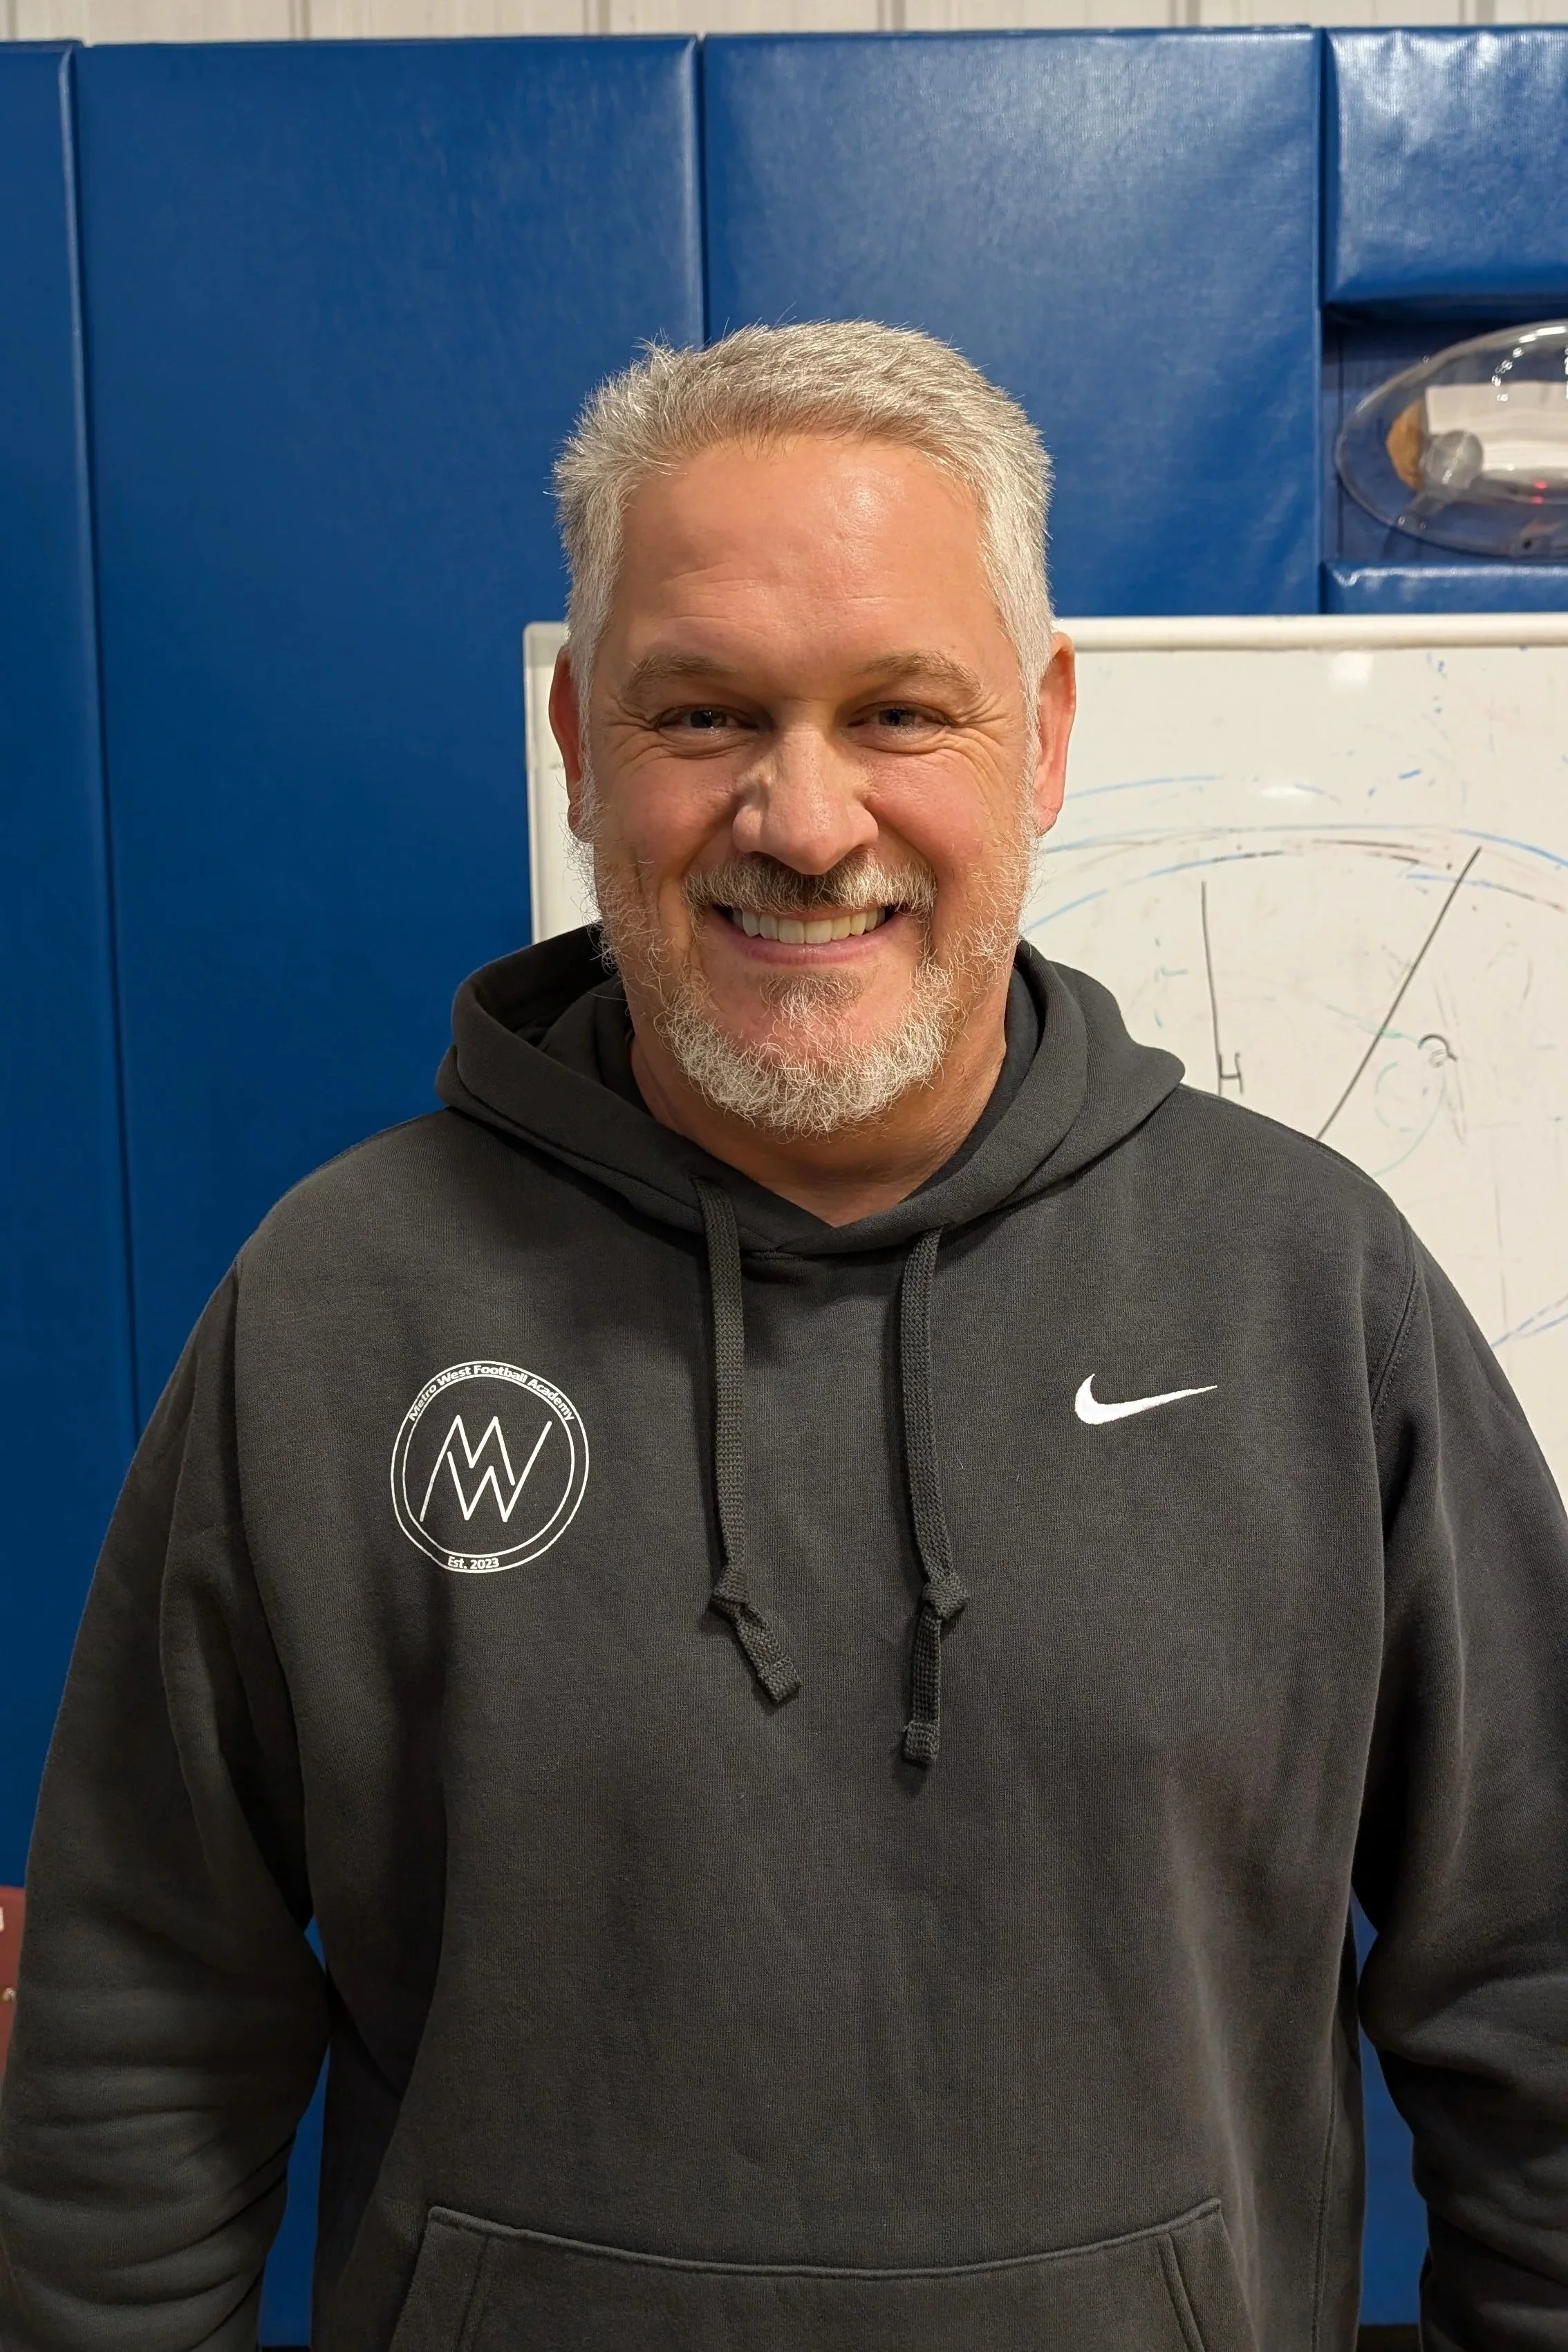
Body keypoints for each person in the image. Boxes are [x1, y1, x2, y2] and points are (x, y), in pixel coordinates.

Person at [1, 321, 1565, 2352]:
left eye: (898, 709)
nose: (803, 819)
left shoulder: (1308, 1287)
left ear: (1044, 734)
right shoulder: (338, 1300)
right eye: (702, 713)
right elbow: (144, 2047)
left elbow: (1534, 1995)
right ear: (580, 743)